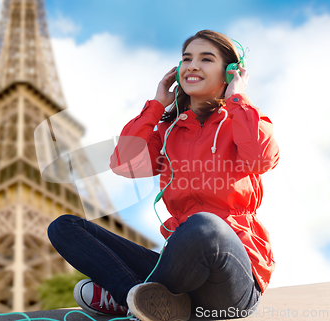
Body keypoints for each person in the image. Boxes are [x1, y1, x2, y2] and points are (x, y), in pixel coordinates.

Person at [47, 29, 280, 321]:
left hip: (229, 280)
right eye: (187, 58)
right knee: (64, 226)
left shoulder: (240, 122)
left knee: (204, 225)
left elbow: (261, 156)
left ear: (230, 73)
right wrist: (157, 105)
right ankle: (135, 298)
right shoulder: (168, 132)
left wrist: (239, 98)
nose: (192, 65)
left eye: (206, 59)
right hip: (180, 275)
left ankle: (130, 297)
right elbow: (123, 163)